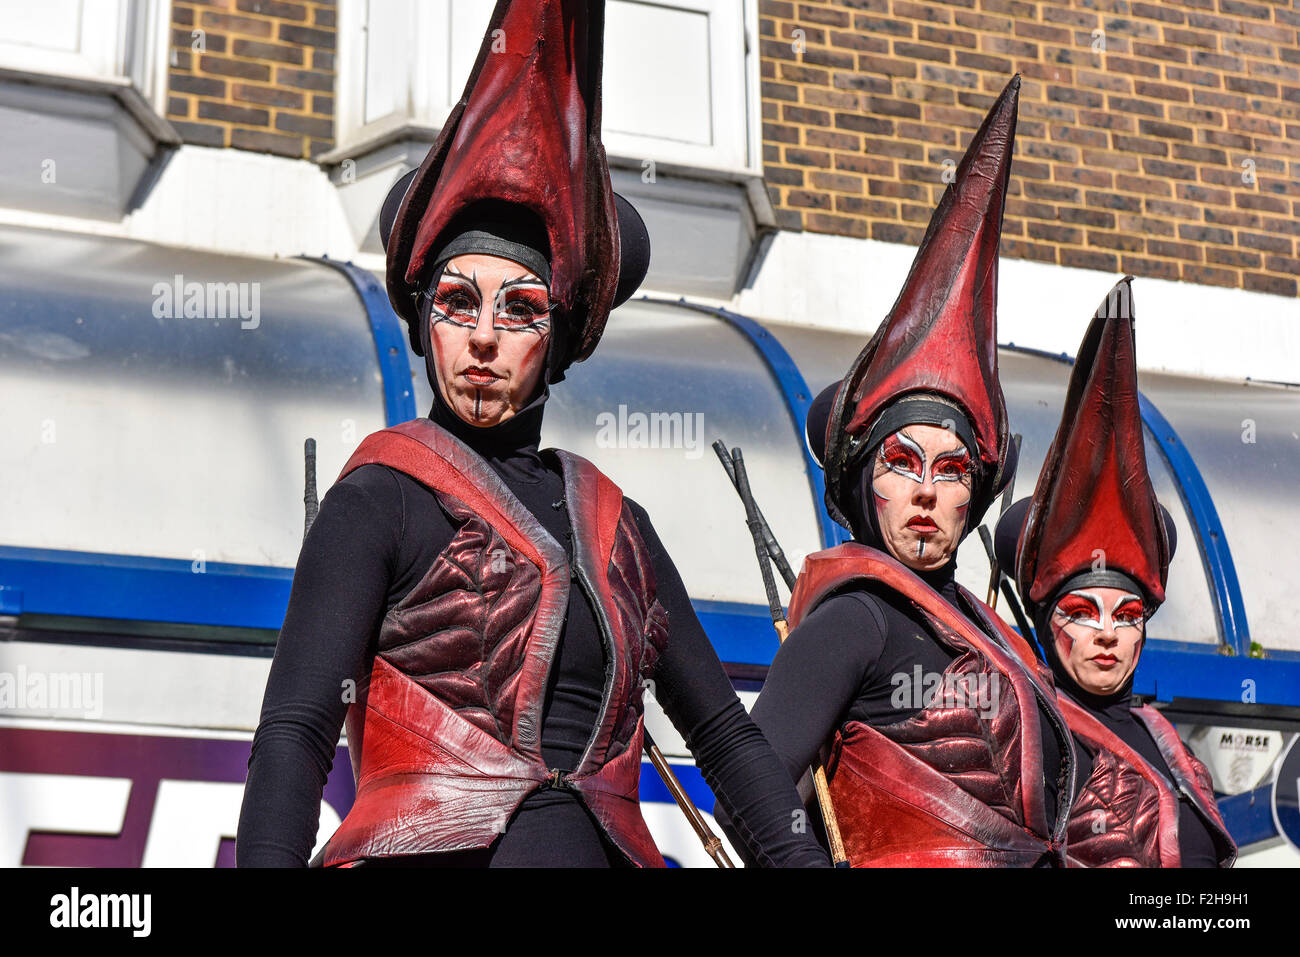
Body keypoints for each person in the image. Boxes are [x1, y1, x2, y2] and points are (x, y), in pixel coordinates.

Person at [235, 0, 827, 868]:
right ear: (425, 323)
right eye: (457, 300)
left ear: (557, 340)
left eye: (519, 309)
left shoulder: (621, 527)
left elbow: (729, 742)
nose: (483, 336)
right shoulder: (378, 500)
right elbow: (295, 728)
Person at [724, 76, 1081, 867]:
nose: (926, 490)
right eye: (902, 462)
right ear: (866, 483)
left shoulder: (1000, 642)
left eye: (952, 469)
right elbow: (749, 783)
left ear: (974, 496)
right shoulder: (856, 619)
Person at [994, 277, 1236, 867]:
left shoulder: (1169, 742)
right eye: (1081, 612)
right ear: (1046, 624)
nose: (1107, 633)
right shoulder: (1020, 740)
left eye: (1125, 615)